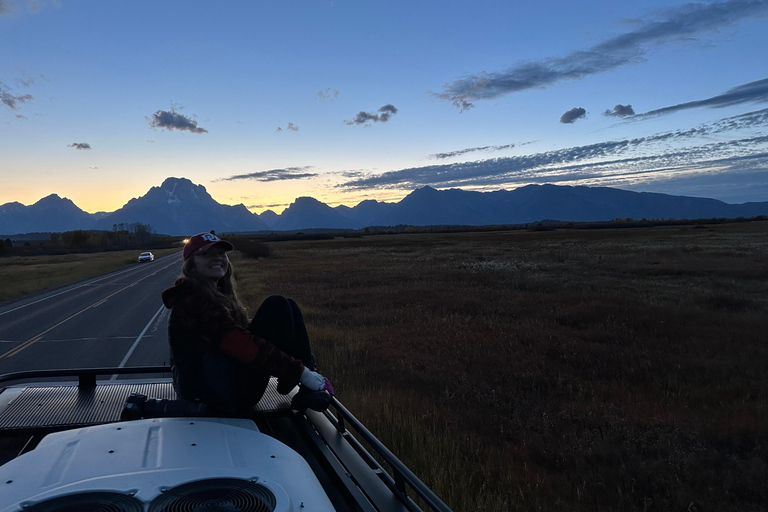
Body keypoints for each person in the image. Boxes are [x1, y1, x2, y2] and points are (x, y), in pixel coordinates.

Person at [160, 232, 334, 417]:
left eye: (221, 253)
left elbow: (240, 336)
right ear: (191, 265)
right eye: (206, 254)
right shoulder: (194, 303)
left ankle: (305, 383)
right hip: (216, 399)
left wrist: (294, 368)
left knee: (285, 305)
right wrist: (300, 372)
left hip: (221, 388)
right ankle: (308, 381)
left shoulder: (211, 294)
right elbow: (241, 344)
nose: (217, 258)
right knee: (276, 305)